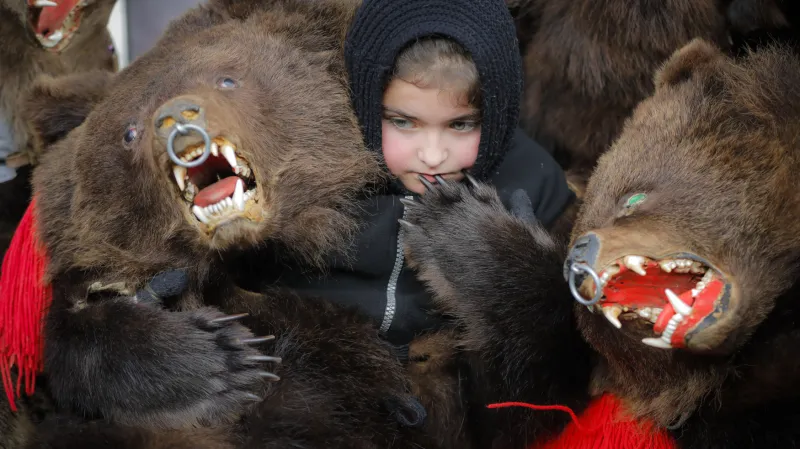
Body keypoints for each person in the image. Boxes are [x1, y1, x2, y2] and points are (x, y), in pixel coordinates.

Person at [252, 0, 576, 353]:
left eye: (461, 124)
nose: (433, 156)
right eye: (403, 122)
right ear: (365, 105)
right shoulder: (306, 177)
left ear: (498, 116)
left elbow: (562, 344)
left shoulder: (536, 186)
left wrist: (527, 267)